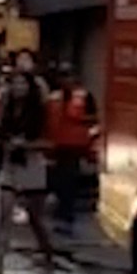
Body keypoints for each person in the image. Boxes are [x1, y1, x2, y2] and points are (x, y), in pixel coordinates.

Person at [0, 71, 56, 274]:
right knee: (3, 215)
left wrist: (25, 144)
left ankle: (47, 254)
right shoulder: (6, 110)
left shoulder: (40, 112)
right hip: (10, 165)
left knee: (35, 219)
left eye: (22, 83)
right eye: (15, 83)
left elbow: (49, 142)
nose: (18, 88)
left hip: (32, 165)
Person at [47, 65, 99, 236]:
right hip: (55, 146)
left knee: (68, 182)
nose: (65, 80)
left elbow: (95, 119)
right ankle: (60, 212)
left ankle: (66, 217)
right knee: (56, 181)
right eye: (62, 76)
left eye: (68, 76)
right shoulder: (52, 98)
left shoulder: (85, 97)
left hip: (75, 147)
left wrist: (81, 122)